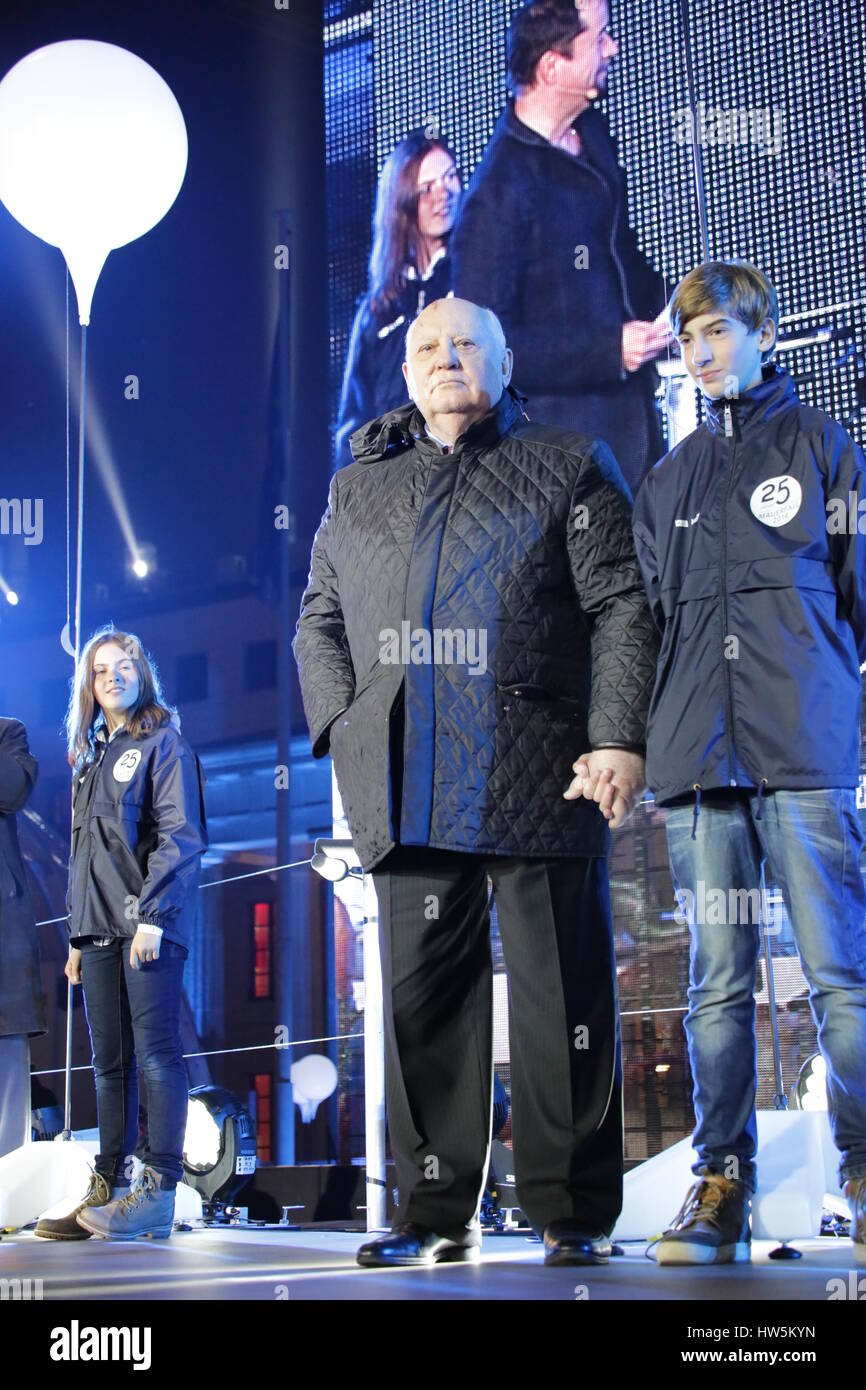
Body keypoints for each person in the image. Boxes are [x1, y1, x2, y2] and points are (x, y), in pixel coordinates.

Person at [294, 294, 659, 1267]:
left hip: (542, 769)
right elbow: (316, 619)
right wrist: (343, 724)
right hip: (405, 775)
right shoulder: (356, 487)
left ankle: (571, 1211)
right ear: (404, 372)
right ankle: (428, 1212)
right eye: (427, 346)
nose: (445, 357)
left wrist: (616, 736)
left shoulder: (570, 461)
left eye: (466, 343)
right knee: (422, 1007)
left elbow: (623, 603)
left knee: (559, 998)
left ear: (502, 365)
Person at [619, 258, 866, 1265]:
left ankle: (858, 1168)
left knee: (838, 978)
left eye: (719, 330)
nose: (704, 351)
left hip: (801, 750)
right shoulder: (665, 482)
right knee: (713, 986)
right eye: (688, 338)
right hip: (696, 774)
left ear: (761, 335)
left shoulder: (823, 449)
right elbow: (638, 630)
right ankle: (719, 1177)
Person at [450, 0, 671, 497]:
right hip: (562, 468)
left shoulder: (592, 134)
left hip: (634, 436)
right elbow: (486, 347)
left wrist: (674, 311)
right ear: (552, 66)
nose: (613, 49)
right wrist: (609, 349)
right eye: (600, 39)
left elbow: (619, 256)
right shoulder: (498, 192)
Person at [36, 625, 207, 1241]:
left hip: (147, 928)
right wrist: (80, 939)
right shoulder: (89, 761)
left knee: (157, 1056)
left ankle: (159, 1192)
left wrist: (154, 917)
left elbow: (180, 836)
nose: (113, 675)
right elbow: (86, 857)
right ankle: (108, 1184)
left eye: (125, 665)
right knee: (108, 1064)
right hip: (100, 932)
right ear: (89, 684)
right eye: (102, 669)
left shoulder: (165, 743)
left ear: (143, 675)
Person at [334, 129, 461, 468]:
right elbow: (353, 422)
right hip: (393, 492)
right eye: (426, 188)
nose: (443, 194)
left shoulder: (471, 279)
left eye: (450, 178)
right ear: (403, 203)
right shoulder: (376, 312)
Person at [0, 717, 46, 1159]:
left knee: (6, 1073)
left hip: (3, 943)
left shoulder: (8, 733)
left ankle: (4, 1199)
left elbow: (12, 790)